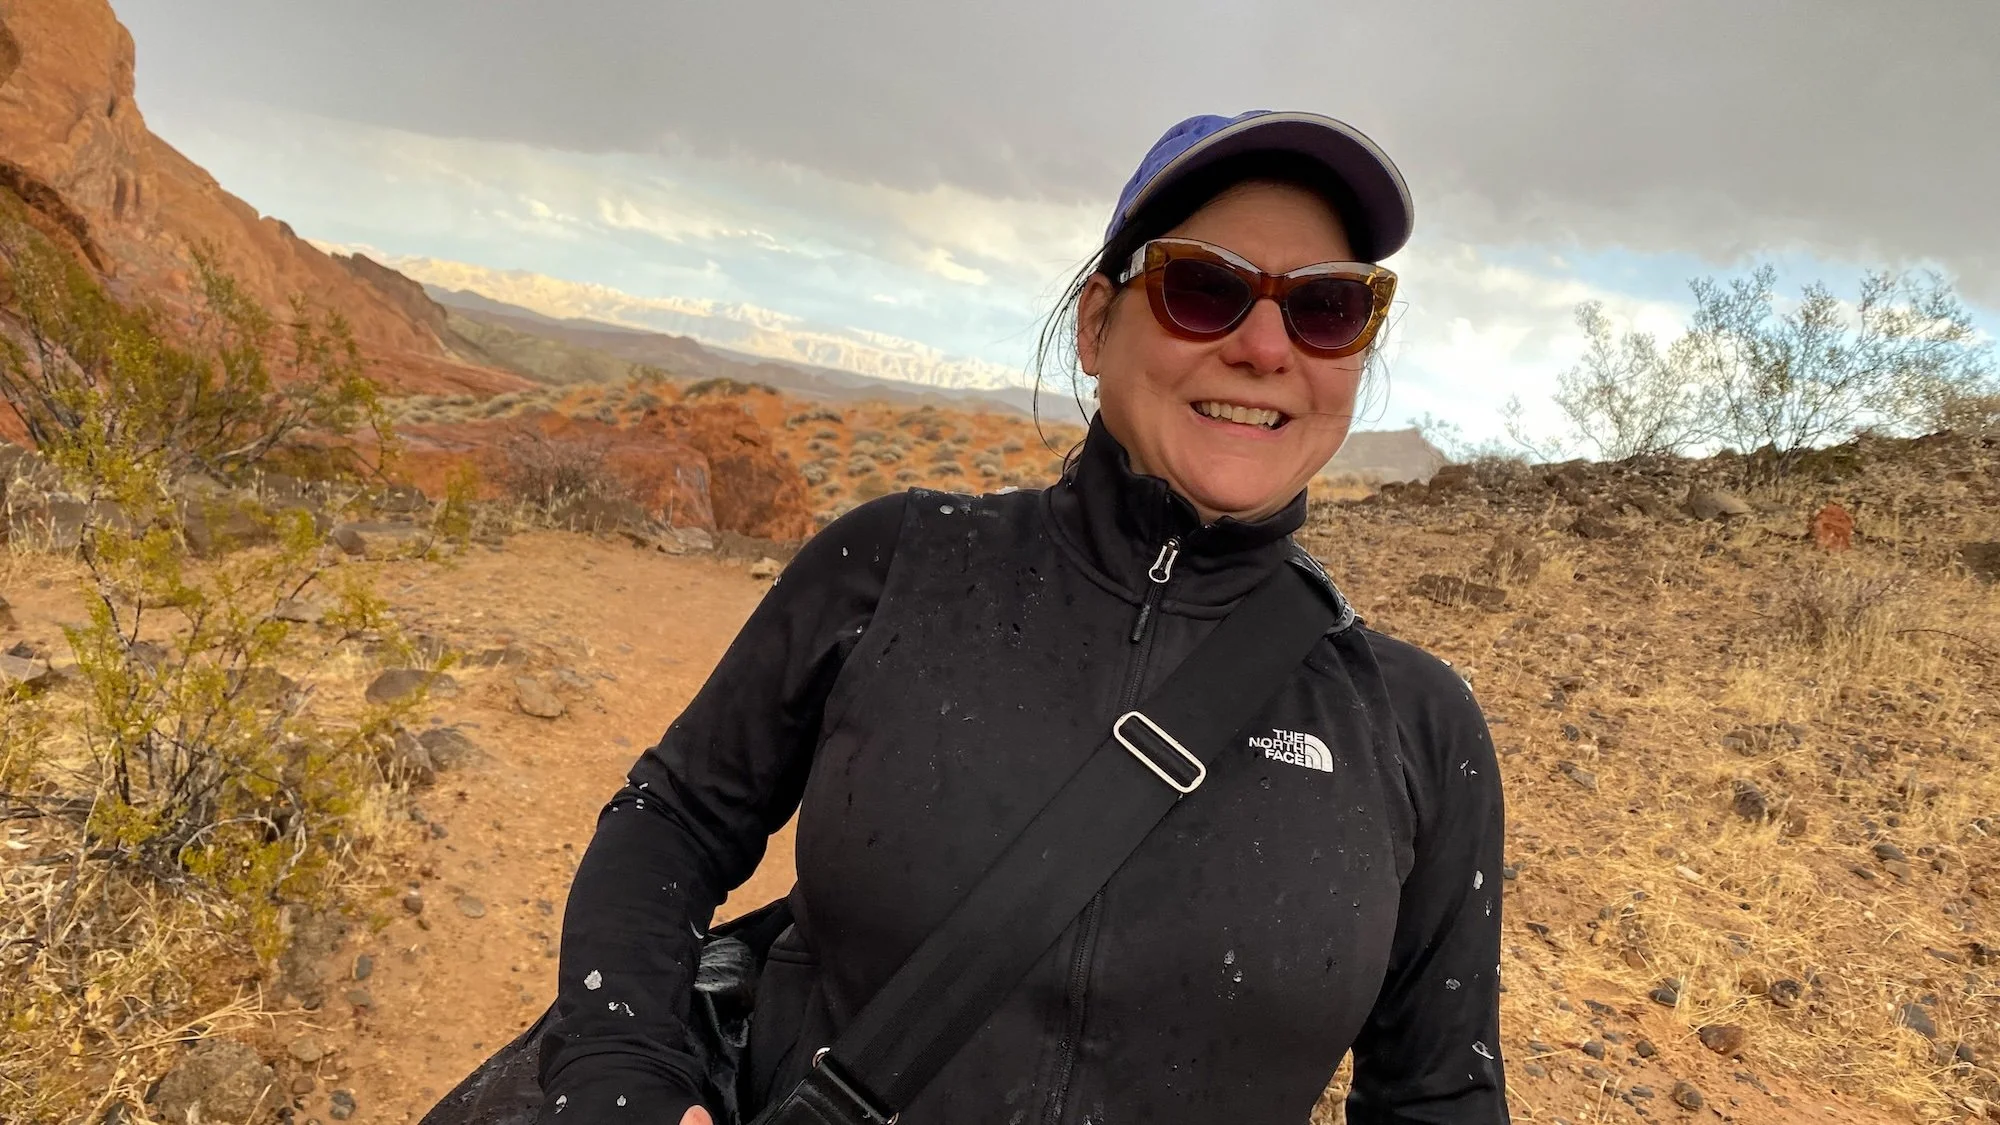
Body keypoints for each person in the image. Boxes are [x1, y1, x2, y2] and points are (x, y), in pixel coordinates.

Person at [536, 110, 1508, 1125]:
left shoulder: (1416, 729)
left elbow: (1437, 1093)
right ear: (1096, 324)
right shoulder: (896, 565)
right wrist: (621, 1079)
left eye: (1326, 307)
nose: (1264, 346)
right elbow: (675, 820)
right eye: (1203, 288)